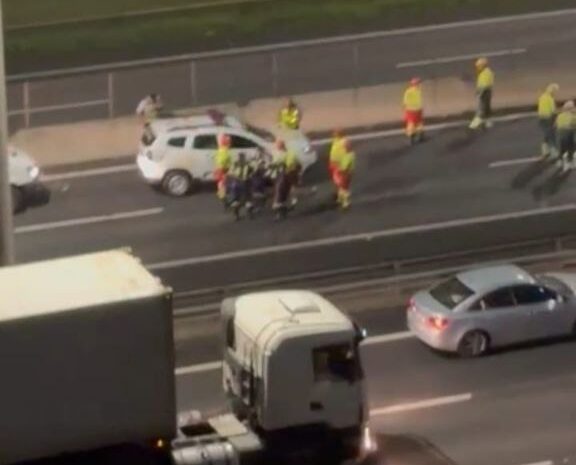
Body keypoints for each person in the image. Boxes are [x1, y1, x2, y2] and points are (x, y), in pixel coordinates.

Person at [469, 58, 494, 130]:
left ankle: (475, 123)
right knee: (487, 108)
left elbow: (484, 85)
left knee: (481, 108)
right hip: (487, 91)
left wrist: (479, 93)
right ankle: (489, 122)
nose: (477, 68)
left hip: (484, 92)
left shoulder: (485, 73)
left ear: (483, 66)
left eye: (478, 66)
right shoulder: (486, 72)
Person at [228, 152, 254, 220]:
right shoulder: (247, 164)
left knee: (236, 200)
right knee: (247, 199)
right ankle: (249, 214)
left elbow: (230, 174)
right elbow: (251, 174)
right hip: (243, 184)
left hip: (236, 184)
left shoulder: (235, 164)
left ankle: (237, 215)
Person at [537, 83, 559, 159]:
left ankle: (545, 150)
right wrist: (556, 118)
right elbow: (553, 110)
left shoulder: (542, 97)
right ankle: (554, 152)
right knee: (552, 135)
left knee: (546, 134)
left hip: (541, 118)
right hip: (548, 118)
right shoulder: (550, 98)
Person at [334, 139, 356, 210]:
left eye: (345, 146)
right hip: (347, 173)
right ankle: (340, 199)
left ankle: (345, 203)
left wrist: (338, 170)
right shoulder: (351, 154)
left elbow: (345, 167)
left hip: (345, 173)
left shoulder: (348, 156)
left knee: (344, 187)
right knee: (341, 186)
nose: (344, 147)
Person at [555, 100, 576, 171]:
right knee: (571, 148)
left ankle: (560, 162)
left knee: (562, 148)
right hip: (569, 134)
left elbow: (556, 125)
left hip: (560, 134)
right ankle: (570, 163)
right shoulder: (572, 116)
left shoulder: (560, 116)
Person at [403, 77, 424, 144]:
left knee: (411, 124)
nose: (420, 84)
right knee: (419, 123)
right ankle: (420, 136)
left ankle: (411, 138)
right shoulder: (418, 91)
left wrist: (405, 108)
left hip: (410, 110)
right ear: (416, 84)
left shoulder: (408, 91)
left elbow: (405, 101)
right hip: (417, 109)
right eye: (419, 83)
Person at [214, 134, 232, 203]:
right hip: (222, 169)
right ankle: (222, 196)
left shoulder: (221, 150)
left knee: (221, 183)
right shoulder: (224, 151)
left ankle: (221, 195)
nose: (230, 143)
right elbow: (222, 161)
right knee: (223, 182)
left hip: (220, 169)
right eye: (229, 142)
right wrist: (224, 171)